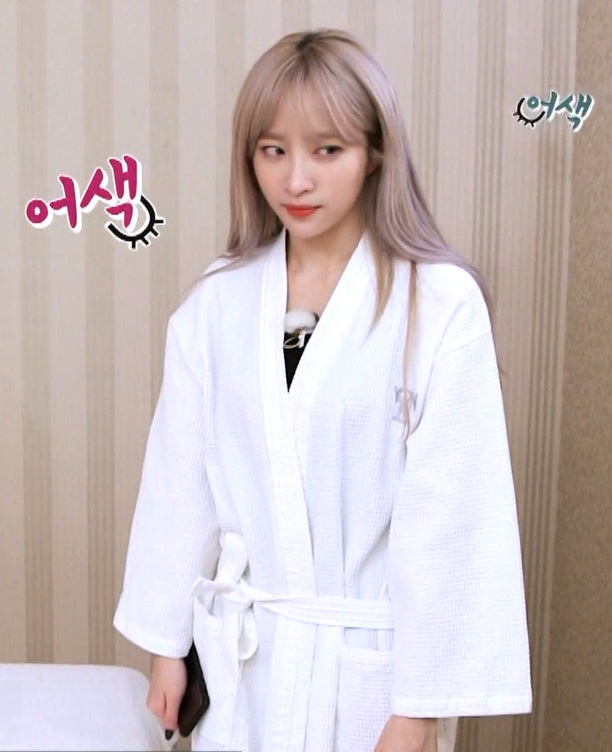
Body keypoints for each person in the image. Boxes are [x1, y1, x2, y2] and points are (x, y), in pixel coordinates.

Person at [113, 28, 532, 752]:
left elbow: (455, 520)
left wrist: (418, 711)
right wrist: (166, 645)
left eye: (327, 150)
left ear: (375, 154)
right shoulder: (218, 303)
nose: (295, 180)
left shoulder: (438, 305)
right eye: (273, 150)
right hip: (246, 667)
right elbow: (179, 486)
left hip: (372, 681)